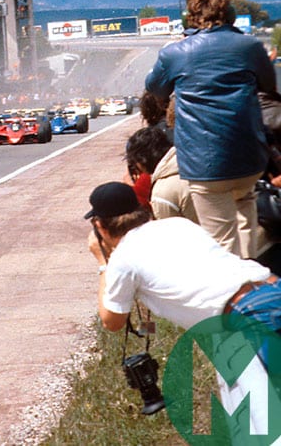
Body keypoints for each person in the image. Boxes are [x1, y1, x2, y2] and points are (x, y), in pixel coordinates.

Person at [86, 181, 278, 434]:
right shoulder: (178, 225)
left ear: (100, 225)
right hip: (271, 291)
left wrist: (103, 263)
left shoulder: (122, 259)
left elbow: (111, 321)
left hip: (244, 320)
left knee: (268, 428)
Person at [145, 0, 277, 258]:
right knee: (246, 220)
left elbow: (155, 87)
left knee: (222, 242)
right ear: (230, 15)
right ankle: (252, 275)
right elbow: (267, 84)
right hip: (249, 158)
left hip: (204, 164)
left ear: (189, 18)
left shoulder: (175, 53)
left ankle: (235, 282)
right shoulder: (251, 46)